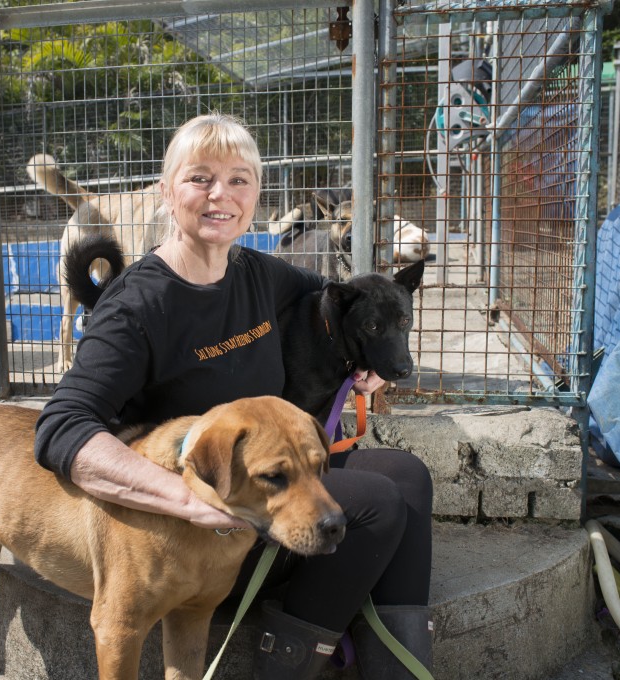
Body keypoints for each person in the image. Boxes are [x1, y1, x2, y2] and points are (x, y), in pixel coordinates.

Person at [34, 112, 433, 680]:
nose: (221, 194)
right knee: (375, 504)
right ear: (167, 191)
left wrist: (367, 360)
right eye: (200, 178)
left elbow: (336, 298)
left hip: (257, 496)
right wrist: (185, 499)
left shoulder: (252, 272)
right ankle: (283, 667)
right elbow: (60, 428)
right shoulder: (135, 307)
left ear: (257, 195)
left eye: (239, 179)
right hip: (191, 534)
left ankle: (395, 669)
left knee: (410, 478)